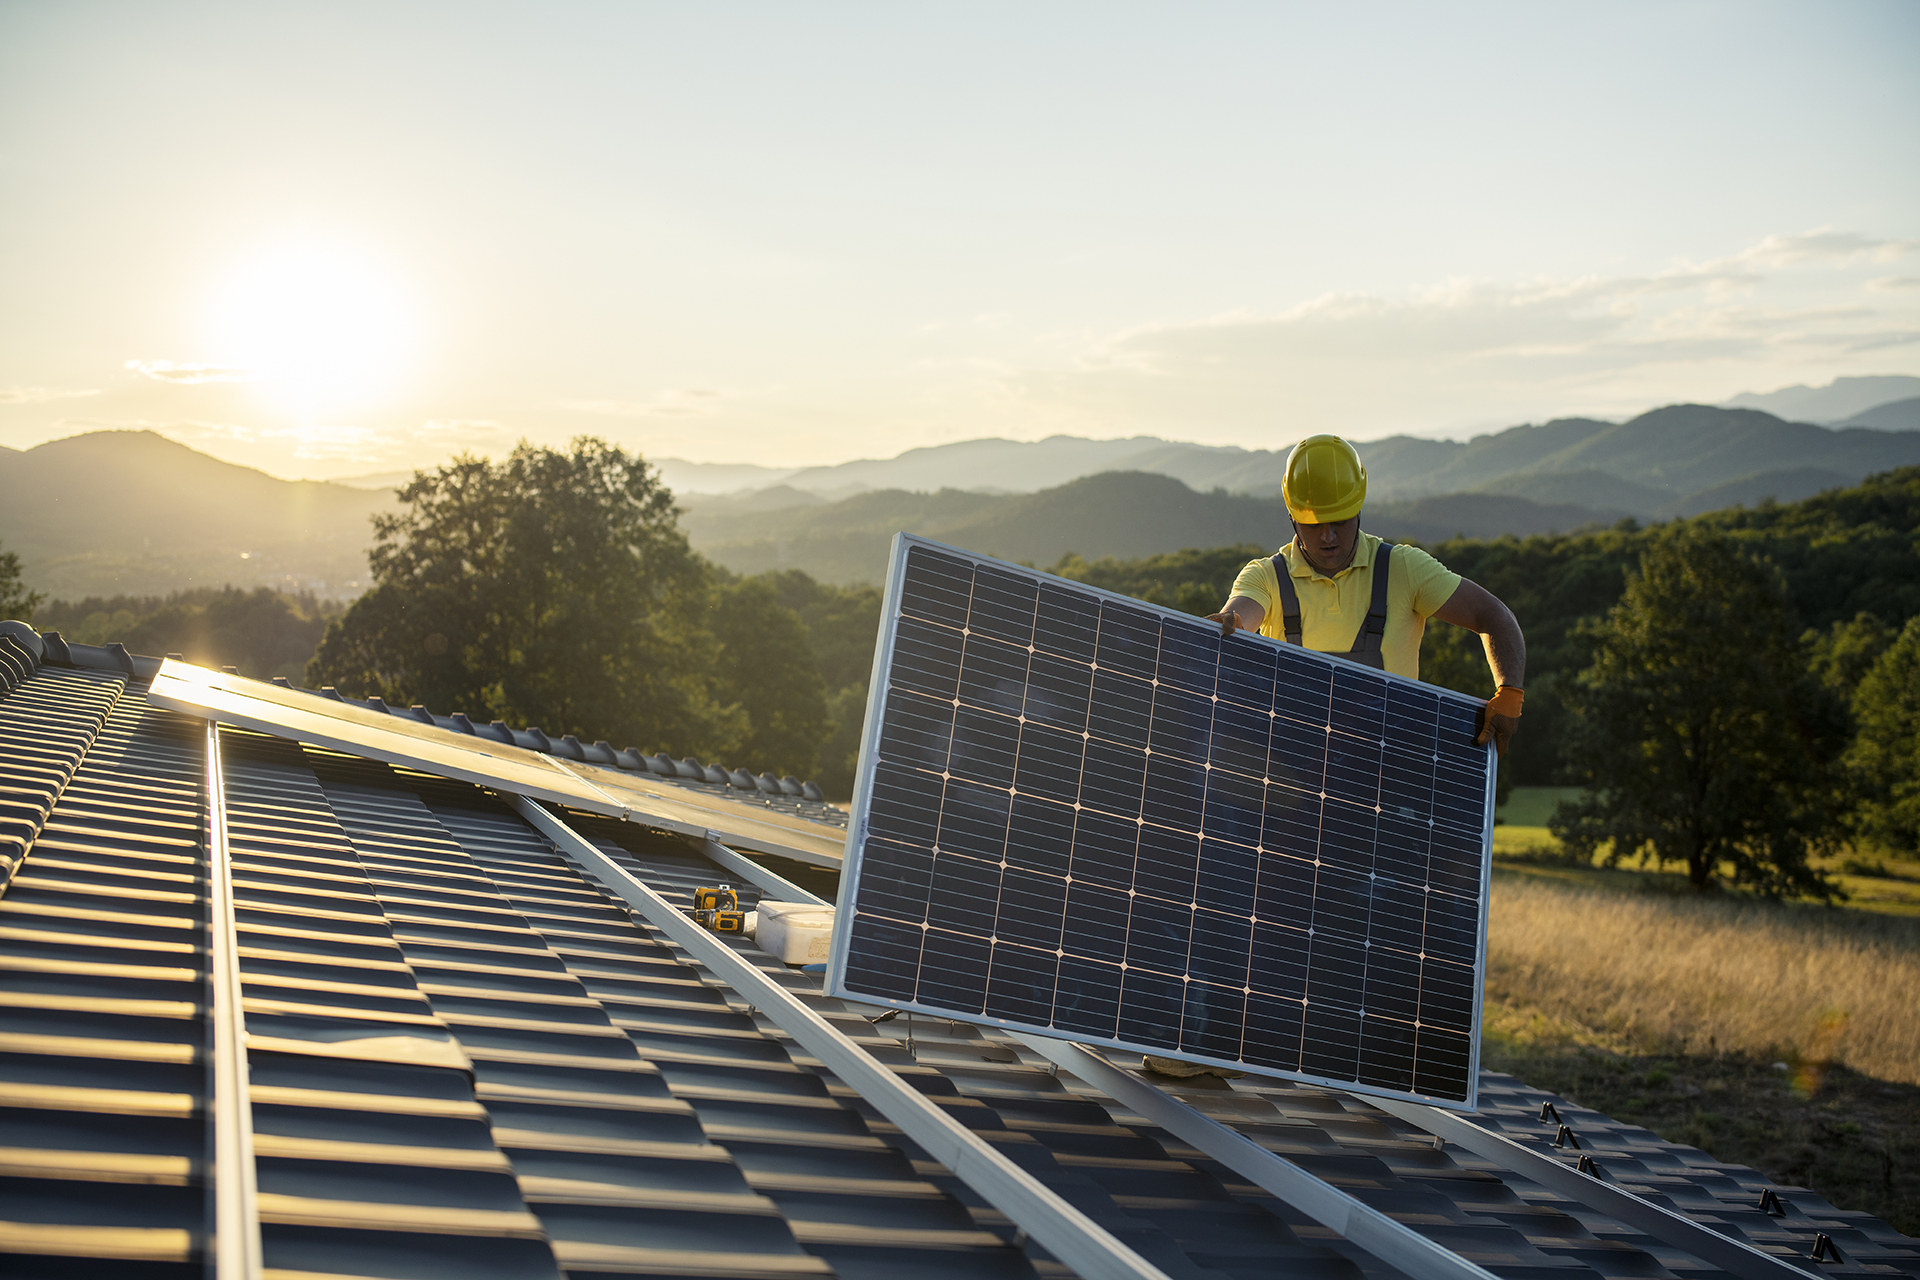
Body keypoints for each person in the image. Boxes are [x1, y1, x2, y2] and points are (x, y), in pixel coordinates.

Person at [1208, 433, 1526, 757]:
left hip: (1389, 772)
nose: (1328, 536)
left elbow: (1494, 616)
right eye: (1314, 525)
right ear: (1293, 517)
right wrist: (1232, 623)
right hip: (1296, 775)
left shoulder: (1403, 568)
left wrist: (1510, 691)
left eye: (1339, 522)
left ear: (1358, 509)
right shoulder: (1265, 576)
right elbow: (1241, 614)